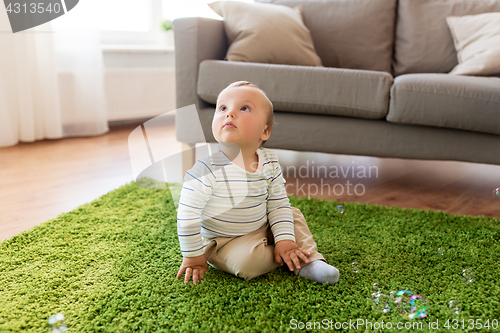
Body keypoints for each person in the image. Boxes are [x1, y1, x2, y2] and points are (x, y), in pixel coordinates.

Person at [175, 81, 340, 285]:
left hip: (262, 225)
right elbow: (187, 215)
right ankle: (292, 257)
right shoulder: (206, 170)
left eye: (244, 108)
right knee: (246, 264)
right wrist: (193, 256)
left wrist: (285, 239)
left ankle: (308, 260)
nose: (230, 113)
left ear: (265, 132)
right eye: (223, 108)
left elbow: (277, 204)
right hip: (223, 242)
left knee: (292, 214)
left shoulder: (269, 162)